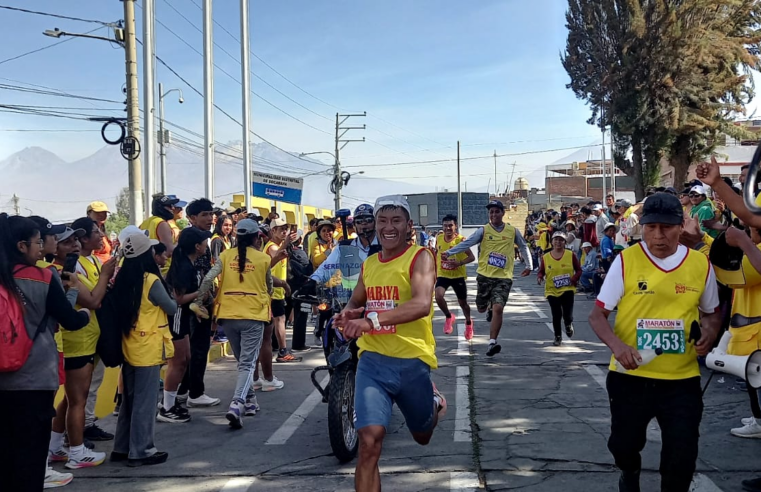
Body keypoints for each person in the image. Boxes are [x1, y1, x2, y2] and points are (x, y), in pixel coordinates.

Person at [588, 193, 721, 492]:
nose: (658, 236)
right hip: (630, 376)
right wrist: (618, 347)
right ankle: (630, 471)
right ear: (642, 227)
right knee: (624, 445)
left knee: (681, 456)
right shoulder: (626, 261)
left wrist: (710, 334)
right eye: (651, 227)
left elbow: (712, 314)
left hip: (681, 379)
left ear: (681, 227)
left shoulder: (700, 264)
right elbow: (597, 316)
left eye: (666, 227)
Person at [334, 195, 445, 492]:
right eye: (382, 221)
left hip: (412, 362)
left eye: (396, 221)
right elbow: (357, 299)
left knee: (423, 434)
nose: (388, 227)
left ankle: (433, 403)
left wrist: (371, 321)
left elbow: (421, 304)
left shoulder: (420, 257)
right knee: (369, 440)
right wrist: (346, 314)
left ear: (408, 225)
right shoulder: (369, 263)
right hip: (373, 362)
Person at [0, 214, 90, 492]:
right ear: (21, 246)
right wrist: (80, 304)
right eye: (37, 242)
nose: (40, 247)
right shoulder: (42, 276)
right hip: (34, 379)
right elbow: (70, 321)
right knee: (30, 460)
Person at [193, 219, 274, 429]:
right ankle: (237, 403)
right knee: (247, 363)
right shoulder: (264, 258)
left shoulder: (225, 255)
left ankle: (250, 401)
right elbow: (269, 287)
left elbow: (208, 279)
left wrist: (199, 301)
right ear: (257, 237)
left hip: (227, 315)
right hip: (253, 315)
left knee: (242, 362)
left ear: (237, 237)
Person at [50, 217, 117, 469]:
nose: (74, 245)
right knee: (78, 399)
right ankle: (77, 452)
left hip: (84, 339)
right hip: (76, 341)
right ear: (51, 247)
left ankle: (55, 447)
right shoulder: (62, 273)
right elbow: (93, 301)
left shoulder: (75, 267)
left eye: (75, 239)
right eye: (66, 242)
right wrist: (106, 275)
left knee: (70, 399)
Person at [110, 232, 176, 467]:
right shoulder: (150, 280)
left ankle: (121, 447)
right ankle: (142, 450)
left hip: (129, 345)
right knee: (145, 403)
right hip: (148, 347)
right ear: (145, 254)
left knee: (129, 400)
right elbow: (170, 307)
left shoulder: (123, 278)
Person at [442, 200, 532, 356]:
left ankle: (492, 342)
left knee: (499, 307)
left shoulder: (512, 231)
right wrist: (450, 252)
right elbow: (468, 243)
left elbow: (523, 246)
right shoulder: (483, 230)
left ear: (503, 213)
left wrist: (529, 265)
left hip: (503, 277)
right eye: (491, 212)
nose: (494, 214)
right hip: (485, 275)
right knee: (481, 308)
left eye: (497, 211)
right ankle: (488, 306)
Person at [161, 228, 213, 423]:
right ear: (197, 246)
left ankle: (171, 401)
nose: (206, 245)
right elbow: (179, 298)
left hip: (184, 316)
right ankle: (167, 407)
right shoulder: (184, 267)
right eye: (204, 242)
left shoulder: (188, 264)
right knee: (178, 362)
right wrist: (202, 293)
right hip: (177, 316)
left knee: (185, 358)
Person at [177, 198, 221, 408]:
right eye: (204, 214)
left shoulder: (207, 240)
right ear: (192, 218)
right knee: (195, 350)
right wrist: (198, 300)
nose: (210, 218)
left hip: (203, 300)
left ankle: (184, 391)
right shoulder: (188, 240)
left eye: (211, 214)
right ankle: (195, 392)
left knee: (197, 349)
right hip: (193, 304)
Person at [434, 214, 475, 339]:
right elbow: (436, 254)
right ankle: (448, 316)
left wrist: (459, 263)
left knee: (463, 303)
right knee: (438, 296)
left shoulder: (460, 240)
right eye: (445, 226)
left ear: (455, 226)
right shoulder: (439, 238)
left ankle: (468, 322)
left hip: (458, 276)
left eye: (450, 226)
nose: (448, 228)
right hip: (443, 275)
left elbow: (471, 257)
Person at [537, 232, 581, 346]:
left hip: (567, 289)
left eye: (561, 240)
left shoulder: (570, 255)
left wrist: (574, 279)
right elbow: (541, 271)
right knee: (556, 314)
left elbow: (579, 270)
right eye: (556, 240)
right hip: (552, 290)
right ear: (551, 242)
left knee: (567, 314)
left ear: (565, 243)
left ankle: (568, 324)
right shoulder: (546, 257)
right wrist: (540, 277)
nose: (558, 242)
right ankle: (557, 336)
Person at [265, 217, 296, 363]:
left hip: (277, 289)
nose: (284, 231)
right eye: (281, 229)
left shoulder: (278, 246)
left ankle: (277, 348)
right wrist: (287, 242)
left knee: (276, 320)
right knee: (279, 320)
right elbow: (276, 256)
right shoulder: (272, 247)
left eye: (286, 228)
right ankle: (283, 351)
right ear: (273, 231)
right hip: (272, 290)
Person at [140, 195, 180, 275]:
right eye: (169, 206)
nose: (172, 208)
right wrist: (180, 241)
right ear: (160, 208)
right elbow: (169, 252)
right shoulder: (162, 224)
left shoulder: (144, 223)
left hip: (148, 270)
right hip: (163, 271)